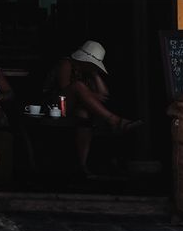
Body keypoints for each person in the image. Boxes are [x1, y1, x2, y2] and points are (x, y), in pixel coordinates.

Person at [44, 40, 141, 174]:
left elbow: (104, 95)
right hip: (55, 105)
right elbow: (65, 88)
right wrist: (91, 95)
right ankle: (115, 121)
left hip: (74, 108)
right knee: (78, 86)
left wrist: (95, 74)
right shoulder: (67, 63)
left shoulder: (86, 73)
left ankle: (82, 165)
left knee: (83, 113)